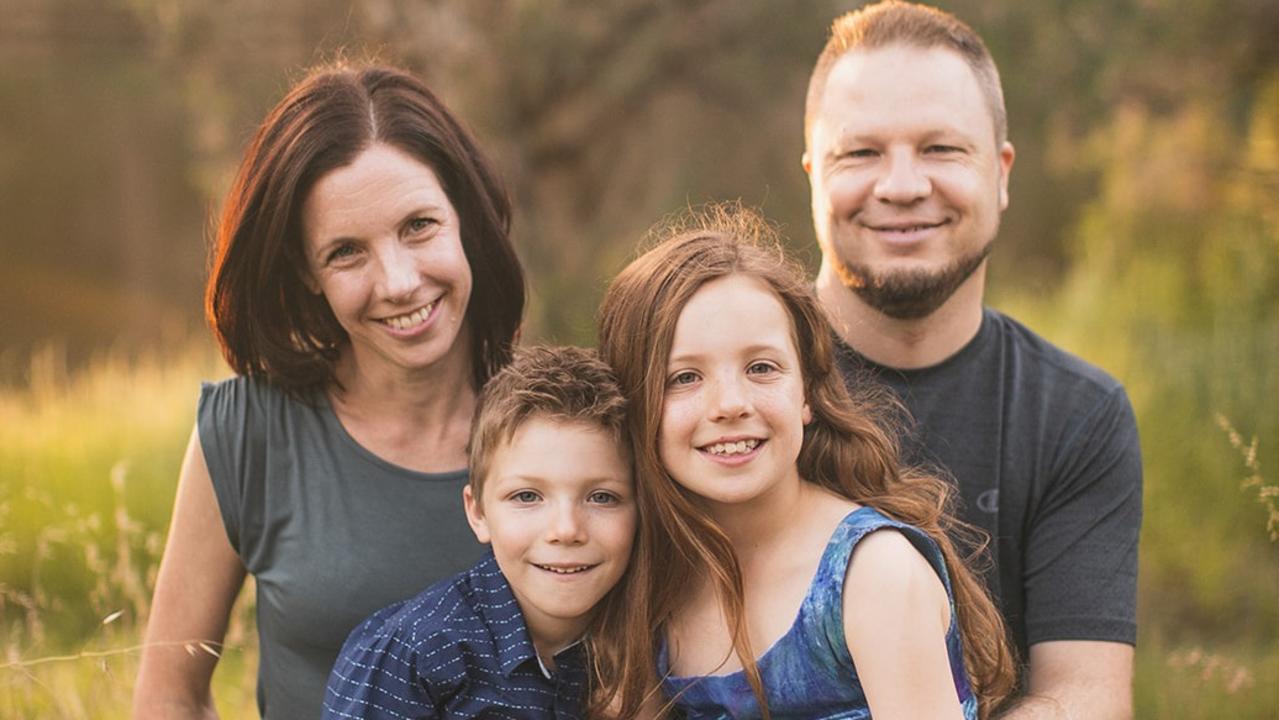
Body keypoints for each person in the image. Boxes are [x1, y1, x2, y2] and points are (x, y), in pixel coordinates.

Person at [132, 62, 526, 720]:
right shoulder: (246, 434)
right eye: (347, 252)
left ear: (466, 218)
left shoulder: (573, 426)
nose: (397, 281)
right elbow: (168, 698)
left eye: (418, 226)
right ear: (306, 273)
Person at [801, 3, 1143, 717]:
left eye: (941, 149)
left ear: (1001, 172)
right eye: (859, 152)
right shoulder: (708, 387)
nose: (900, 185)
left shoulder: (1075, 416)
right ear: (812, 173)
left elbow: (1082, 695)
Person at [595, 205, 1015, 719]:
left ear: (807, 392)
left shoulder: (873, 573)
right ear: (634, 404)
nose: (730, 404)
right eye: (684, 377)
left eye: (761, 367)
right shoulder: (650, 576)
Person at [323, 345, 636, 719]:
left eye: (602, 497)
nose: (566, 530)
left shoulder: (651, 642)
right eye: (527, 496)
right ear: (478, 512)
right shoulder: (415, 654)